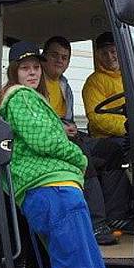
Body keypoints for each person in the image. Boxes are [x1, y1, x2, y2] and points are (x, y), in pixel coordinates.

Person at [0, 40, 132, 268]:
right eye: (25, 68)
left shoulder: (29, 98)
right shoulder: (21, 99)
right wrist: (80, 157)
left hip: (49, 192)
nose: (33, 73)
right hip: (55, 191)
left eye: (35, 68)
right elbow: (44, 140)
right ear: (14, 71)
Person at [42, 36, 117, 246]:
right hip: (48, 137)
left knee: (111, 150)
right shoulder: (37, 81)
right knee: (83, 155)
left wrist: (71, 127)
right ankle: (96, 223)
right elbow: (37, 117)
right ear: (44, 57)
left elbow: (67, 117)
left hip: (68, 132)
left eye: (64, 57)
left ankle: (117, 215)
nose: (60, 61)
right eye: (55, 55)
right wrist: (61, 128)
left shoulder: (63, 84)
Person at [81, 32, 133, 233]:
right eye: (105, 53)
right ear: (98, 56)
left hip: (128, 134)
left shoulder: (130, 78)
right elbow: (97, 118)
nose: (110, 56)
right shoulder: (95, 82)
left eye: (113, 51)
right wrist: (128, 126)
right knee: (118, 151)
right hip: (106, 138)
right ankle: (116, 215)